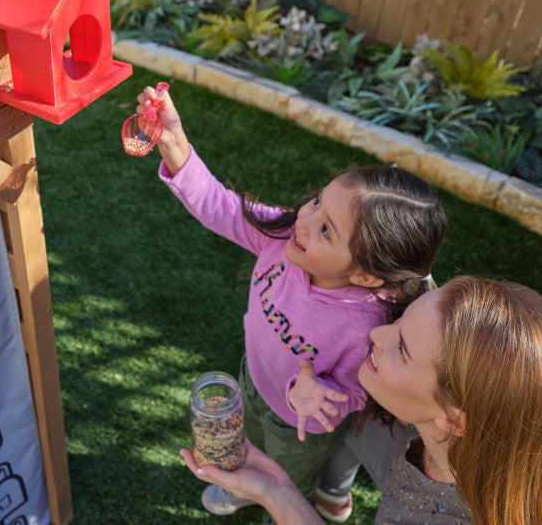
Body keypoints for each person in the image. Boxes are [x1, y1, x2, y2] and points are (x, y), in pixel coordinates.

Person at [138, 85, 446, 518]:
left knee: (287, 483)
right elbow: (219, 206)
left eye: (326, 231)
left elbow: (362, 390)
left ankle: (271, 503)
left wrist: (323, 392)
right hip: (253, 376)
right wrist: (174, 142)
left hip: (302, 425)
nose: (304, 219)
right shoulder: (283, 235)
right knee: (248, 446)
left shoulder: (369, 324)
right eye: (317, 202)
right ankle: (243, 487)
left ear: (365, 274)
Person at [182, 276, 542, 525]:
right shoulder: (469, 431)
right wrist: (275, 490)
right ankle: (334, 495)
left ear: (455, 419)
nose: (375, 333)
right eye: (398, 322)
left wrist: (276, 495)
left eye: (401, 348)